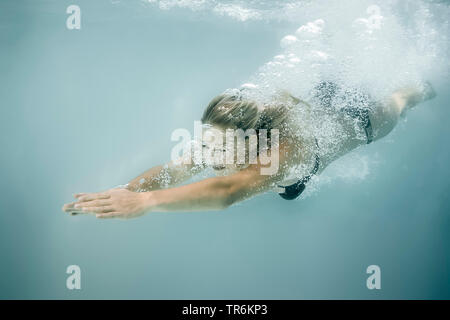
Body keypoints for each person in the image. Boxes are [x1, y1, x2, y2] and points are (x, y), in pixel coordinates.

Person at [62, 81, 436, 219]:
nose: (212, 153)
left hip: (361, 121)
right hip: (318, 103)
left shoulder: (285, 151)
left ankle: (425, 85)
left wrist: (146, 203)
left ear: (252, 139)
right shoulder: (221, 141)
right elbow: (171, 170)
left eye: (223, 144)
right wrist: (126, 190)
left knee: (401, 98)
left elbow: (228, 192)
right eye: (208, 139)